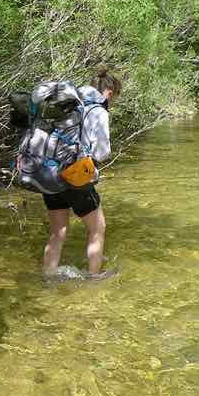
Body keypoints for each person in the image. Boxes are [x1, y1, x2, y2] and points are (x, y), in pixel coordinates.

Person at [41, 67, 121, 279]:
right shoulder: (98, 111)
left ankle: (48, 277)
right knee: (97, 228)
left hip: (50, 173)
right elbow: (102, 153)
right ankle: (93, 279)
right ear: (109, 92)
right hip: (75, 175)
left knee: (58, 232)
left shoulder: (69, 104)